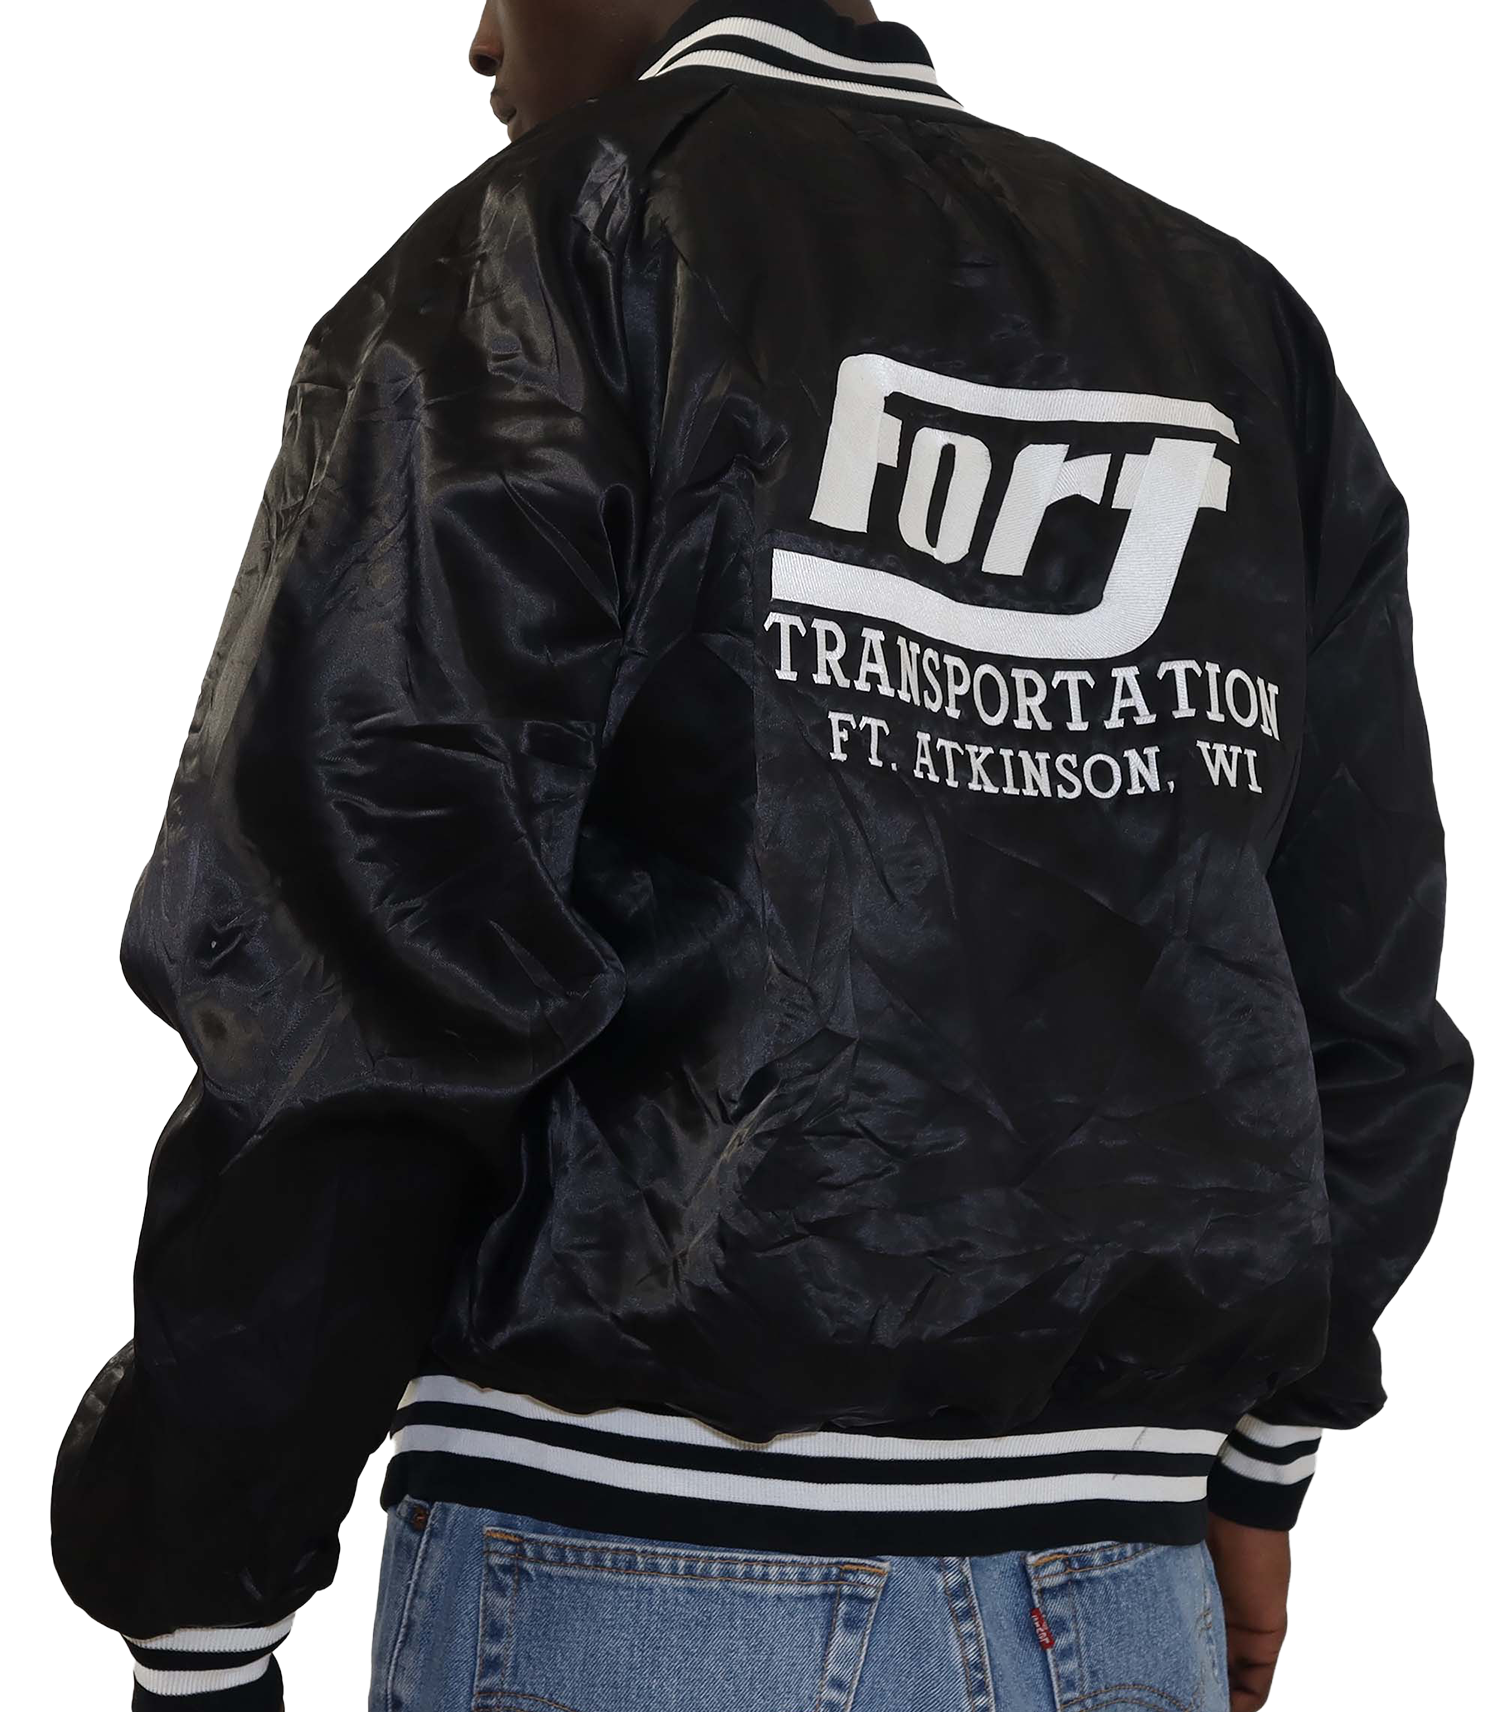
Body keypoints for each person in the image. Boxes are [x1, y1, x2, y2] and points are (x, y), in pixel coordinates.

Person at [49, 2, 1473, 1709]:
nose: (482, 36)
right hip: (1115, 1609)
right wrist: (1260, 1457)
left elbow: (355, 963)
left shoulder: (555, 251)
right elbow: (1360, 985)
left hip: (630, 1577)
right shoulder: (1232, 320)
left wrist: (201, 1599)